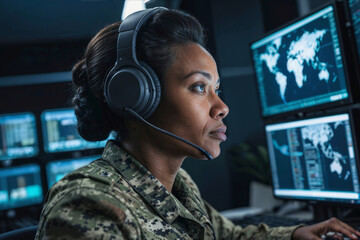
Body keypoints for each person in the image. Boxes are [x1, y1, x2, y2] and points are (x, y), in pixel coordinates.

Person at [35, 8, 360, 240]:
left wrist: (293, 234)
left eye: (215, 89)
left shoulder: (178, 185)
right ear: (136, 97)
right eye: (198, 87)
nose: (221, 107)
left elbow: (225, 234)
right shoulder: (88, 204)